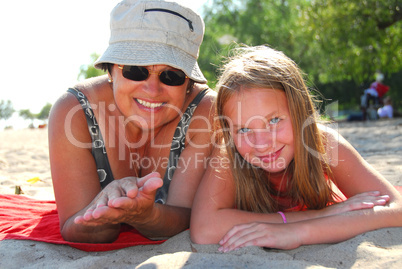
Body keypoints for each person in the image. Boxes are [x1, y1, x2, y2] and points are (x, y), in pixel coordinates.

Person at [190, 45, 402, 251]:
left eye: (274, 120)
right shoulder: (229, 153)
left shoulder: (323, 144)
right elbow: (204, 229)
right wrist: (320, 215)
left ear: (300, 112)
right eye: (243, 130)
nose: (262, 143)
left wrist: (298, 233)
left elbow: (397, 208)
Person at [48, 0, 216, 243]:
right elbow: (75, 226)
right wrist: (103, 213)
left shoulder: (206, 112)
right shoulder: (73, 111)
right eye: (135, 70)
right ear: (111, 71)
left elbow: (187, 217)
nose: (152, 88)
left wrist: (145, 216)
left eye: (172, 75)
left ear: (189, 84)